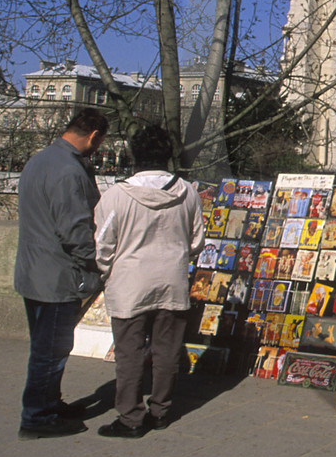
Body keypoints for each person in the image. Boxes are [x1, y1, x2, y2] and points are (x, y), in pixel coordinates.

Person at [93, 124, 204, 437]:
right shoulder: (187, 192)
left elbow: (103, 245)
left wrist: (107, 270)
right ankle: (160, 411)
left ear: (134, 155)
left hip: (129, 284)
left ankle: (130, 417)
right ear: (168, 156)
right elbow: (197, 242)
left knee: (129, 353)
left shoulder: (116, 195)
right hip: (172, 281)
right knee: (167, 351)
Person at [14, 107, 108, 439]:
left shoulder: (39, 161)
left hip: (33, 271)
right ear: (93, 136)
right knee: (50, 350)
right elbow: (75, 230)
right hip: (56, 277)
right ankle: (37, 416)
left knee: (45, 346)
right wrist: (95, 265)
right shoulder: (69, 170)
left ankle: (49, 402)